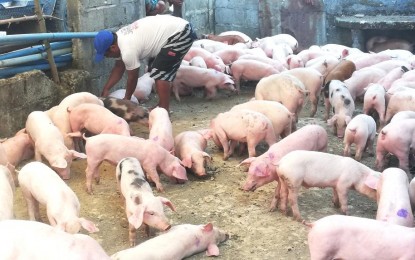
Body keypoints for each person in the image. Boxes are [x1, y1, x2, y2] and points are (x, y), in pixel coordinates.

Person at [94, 15, 197, 112]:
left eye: (106, 54)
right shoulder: (119, 37)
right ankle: (161, 106)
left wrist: (127, 99)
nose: (107, 57)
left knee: (160, 71)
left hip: (181, 33)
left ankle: (164, 110)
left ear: (113, 48)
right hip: (179, 29)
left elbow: (133, 78)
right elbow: (119, 67)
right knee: (160, 70)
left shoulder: (127, 49)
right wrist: (106, 89)